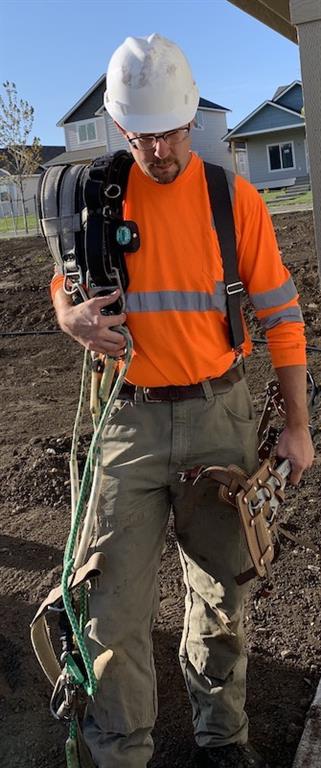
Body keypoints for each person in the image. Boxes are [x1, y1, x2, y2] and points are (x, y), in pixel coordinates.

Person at [50, 33, 314, 768]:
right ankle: (121, 751)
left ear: (189, 118)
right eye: (141, 134)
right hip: (123, 420)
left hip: (216, 417)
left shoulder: (233, 202)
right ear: (118, 123)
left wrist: (296, 426)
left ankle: (220, 738)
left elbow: (282, 317)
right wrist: (68, 318)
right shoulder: (93, 197)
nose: (157, 149)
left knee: (223, 591)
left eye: (168, 132)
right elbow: (66, 283)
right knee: (112, 609)